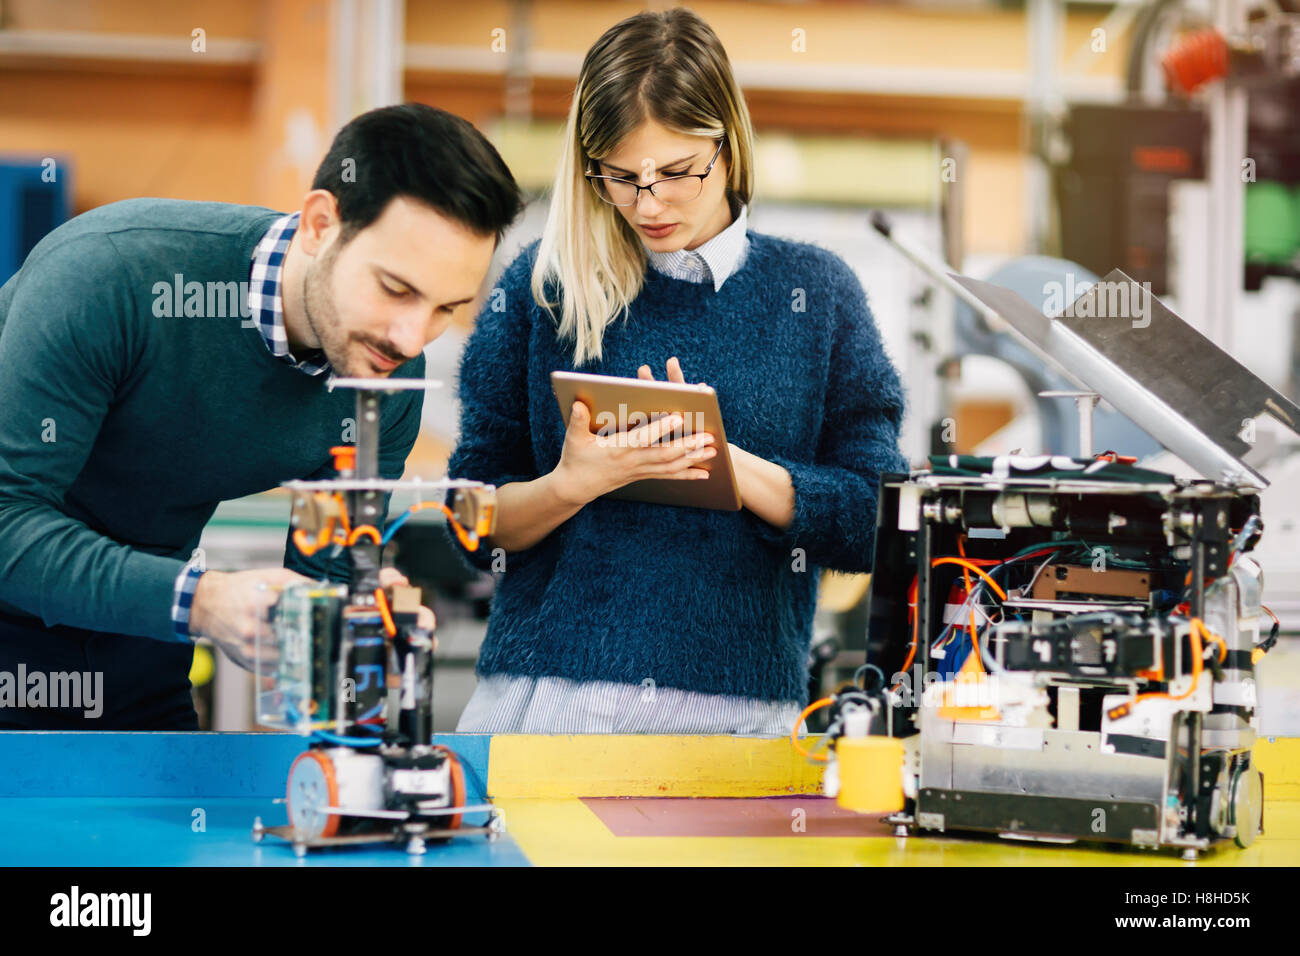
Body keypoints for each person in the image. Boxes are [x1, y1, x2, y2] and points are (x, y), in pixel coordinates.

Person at [448, 8, 908, 734]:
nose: (649, 203)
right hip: (546, 707)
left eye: (677, 173)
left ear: (728, 145)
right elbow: (469, 518)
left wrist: (731, 468)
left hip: (737, 721)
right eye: (620, 177)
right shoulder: (541, 287)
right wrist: (571, 486)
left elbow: (875, 520)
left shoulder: (818, 294)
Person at [0, 104, 523, 730]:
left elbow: (327, 573)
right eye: (395, 288)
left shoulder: (385, 371)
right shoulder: (109, 277)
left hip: (139, 641)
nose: (412, 338)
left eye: (446, 308)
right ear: (320, 224)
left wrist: (354, 626)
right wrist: (203, 600)